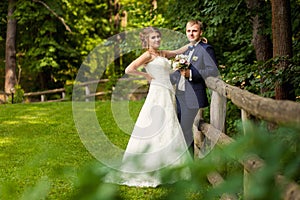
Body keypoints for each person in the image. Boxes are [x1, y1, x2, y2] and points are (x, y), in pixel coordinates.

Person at [105, 27, 193, 187]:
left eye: (158, 37)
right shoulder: (147, 55)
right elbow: (129, 69)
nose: (157, 40)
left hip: (168, 92)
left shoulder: (162, 54)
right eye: (153, 38)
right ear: (147, 41)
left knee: (170, 124)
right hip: (157, 92)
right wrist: (145, 75)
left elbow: (178, 51)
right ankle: (150, 167)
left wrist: (194, 43)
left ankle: (173, 167)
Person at [170, 20, 219, 158]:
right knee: (180, 129)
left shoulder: (206, 48)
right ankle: (184, 164)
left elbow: (213, 70)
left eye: (194, 31)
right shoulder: (188, 49)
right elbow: (179, 71)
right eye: (189, 31)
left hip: (193, 97)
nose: (191, 33)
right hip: (180, 95)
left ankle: (191, 166)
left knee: (185, 130)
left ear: (201, 32)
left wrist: (191, 74)